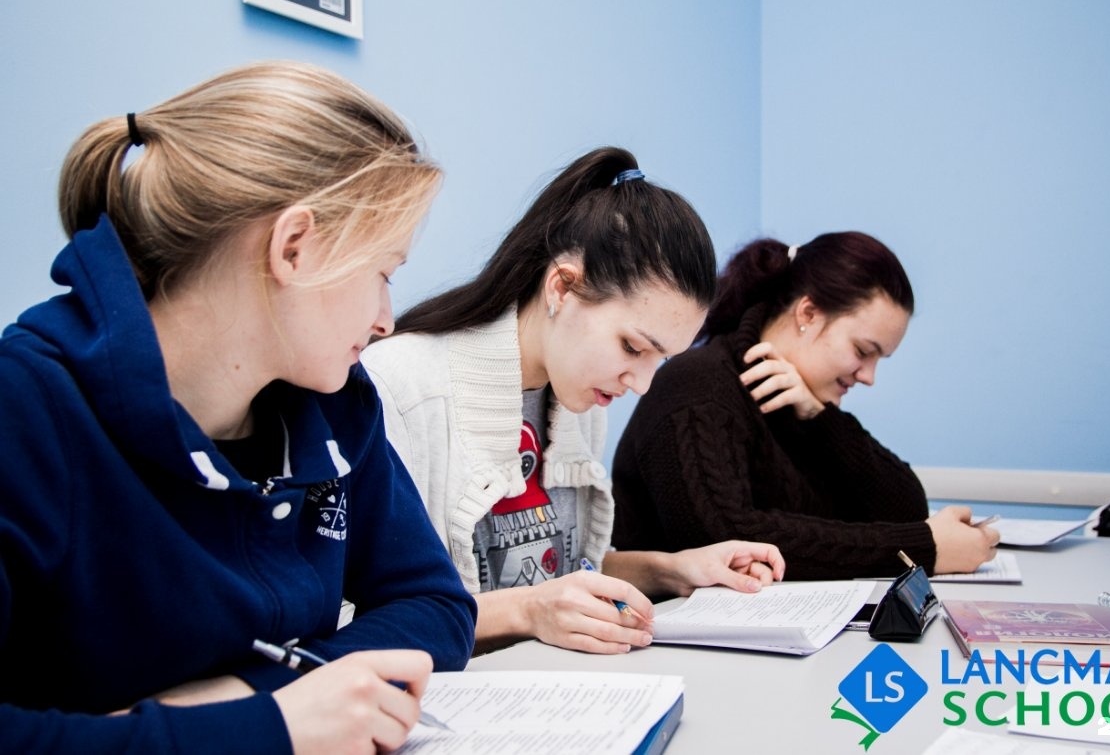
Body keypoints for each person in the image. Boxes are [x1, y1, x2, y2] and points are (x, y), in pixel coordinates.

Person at [0, 61, 476, 754]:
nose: (385, 320)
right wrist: (266, 729)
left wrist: (248, 693)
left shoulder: (333, 410)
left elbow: (433, 606)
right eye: (383, 274)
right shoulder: (27, 409)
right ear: (293, 246)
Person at [362, 147, 784, 655]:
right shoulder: (401, 388)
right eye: (632, 347)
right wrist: (529, 611)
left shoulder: (578, 398)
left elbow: (557, 570)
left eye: (660, 360)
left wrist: (674, 570)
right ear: (562, 286)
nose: (641, 384)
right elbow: (365, 616)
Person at [610, 233, 1000, 579]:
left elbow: (907, 507)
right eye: (863, 351)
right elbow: (726, 541)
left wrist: (820, 419)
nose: (869, 376)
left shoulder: (802, 405)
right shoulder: (699, 386)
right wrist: (917, 551)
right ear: (808, 314)